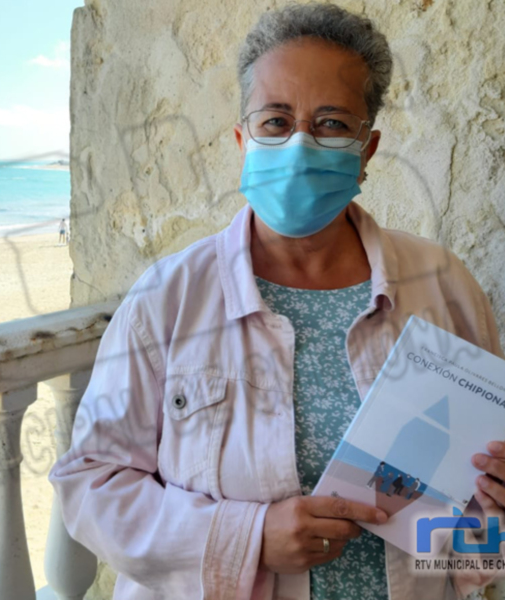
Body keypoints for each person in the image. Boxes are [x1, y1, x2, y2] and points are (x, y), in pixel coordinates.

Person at [48, 4, 505, 600]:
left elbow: (477, 542)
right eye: (275, 121)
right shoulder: (169, 298)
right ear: (243, 140)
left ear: (367, 151)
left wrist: (494, 514)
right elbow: (90, 485)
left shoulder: (443, 285)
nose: (298, 145)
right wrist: (248, 537)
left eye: (332, 123)